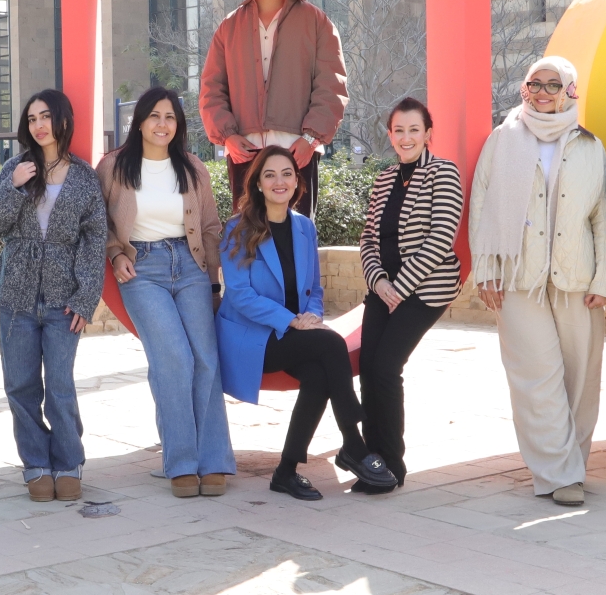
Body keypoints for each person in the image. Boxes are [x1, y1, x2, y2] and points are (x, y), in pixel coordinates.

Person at [469, 56, 606, 506]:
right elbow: (481, 205)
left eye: (555, 84)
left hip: (577, 275)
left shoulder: (589, 145)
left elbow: (601, 218)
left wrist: (604, 278)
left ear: (570, 91)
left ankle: (571, 463)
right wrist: (487, 270)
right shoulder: (502, 139)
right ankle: (558, 473)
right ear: (525, 88)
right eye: (536, 83)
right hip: (517, 274)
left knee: (581, 376)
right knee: (536, 376)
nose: (544, 92)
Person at [218, 146, 397, 501]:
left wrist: (311, 316)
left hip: (295, 332)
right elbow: (240, 295)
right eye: (269, 174)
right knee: (331, 344)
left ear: (296, 181)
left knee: (319, 374)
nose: (279, 181)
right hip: (254, 338)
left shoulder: (304, 227)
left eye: (286, 173)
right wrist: (292, 321)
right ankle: (354, 444)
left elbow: (314, 287)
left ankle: (285, 472)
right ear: (257, 183)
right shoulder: (237, 229)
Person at [98, 86, 234, 497]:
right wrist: (115, 252)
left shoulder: (192, 168)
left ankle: (212, 461)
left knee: (206, 360)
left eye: (170, 117)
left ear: (179, 125)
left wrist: (213, 282)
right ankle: (180, 462)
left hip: (190, 264)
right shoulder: (114, 166)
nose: (162, 124)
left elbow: (209, 228)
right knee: (173, 358)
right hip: (143, 269)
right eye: (154, 116)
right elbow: (98, 220)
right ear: (139, 121)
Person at [0, 89, 107, 503]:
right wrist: (15, 187)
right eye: (32, 118)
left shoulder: (86, 177)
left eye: (46, 116)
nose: (38, 125)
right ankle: (35, 464)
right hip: (16, 298)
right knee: (20, 385)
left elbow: (94, 241)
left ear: (63, 121)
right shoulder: (15, 168)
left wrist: (86, 297)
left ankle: (69, 462)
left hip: (63, 300)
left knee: (60, 386)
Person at [357, 97, 465, 490]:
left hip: (424, 291)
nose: (405, 137)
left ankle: (393, 465)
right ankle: (371, 461)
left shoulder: (443, 173)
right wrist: (379, 282)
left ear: (427, 134)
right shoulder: (384, 178)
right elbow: (368, 238)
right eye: (398, 130)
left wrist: (399, 288)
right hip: (382, 289)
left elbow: (440, 238)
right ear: (390, 135)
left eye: (413, 130)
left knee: (386, 368)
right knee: (367, 370)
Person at [198, 0, 349, 216]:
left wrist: (311, 139)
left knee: (296, 239)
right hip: (245, 153)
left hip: (297, 151)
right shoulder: (228, 28)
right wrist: (228, 137)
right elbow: (211, 89)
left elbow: (332, 85)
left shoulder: (316, 22)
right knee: (248, 241)